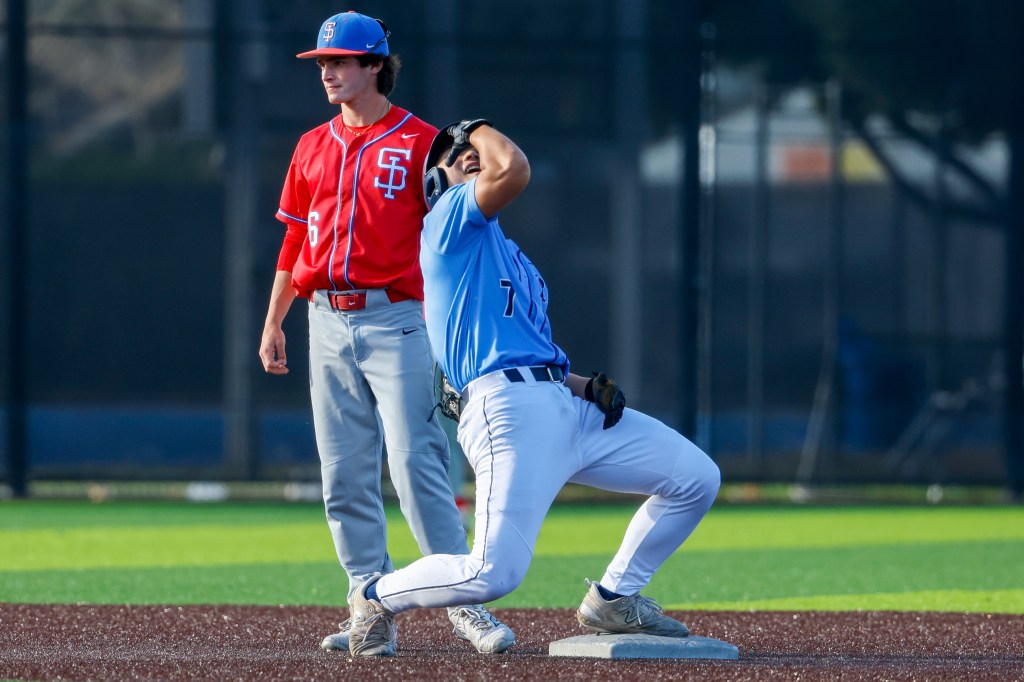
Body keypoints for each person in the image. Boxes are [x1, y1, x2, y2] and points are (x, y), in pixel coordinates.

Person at [344, 119, 722, 657]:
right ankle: (376, 594)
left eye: (469, 149)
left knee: (695, 478)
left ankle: (615, 597)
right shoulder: (448, 220)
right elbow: (514, 167)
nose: (468, 155)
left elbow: (521, 348)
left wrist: (584, 386)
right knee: (493, 573)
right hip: (509, 411)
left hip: (563, 405)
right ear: (434, 184)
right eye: (455, 156)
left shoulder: (504, 251)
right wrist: (473, 127)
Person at [257, 13, 513, 655]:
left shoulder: (425, 143)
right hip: (324, 319)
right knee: (342, 473)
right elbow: (295, 237)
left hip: (398, 319)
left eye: (341, 60)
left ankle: (462, 599)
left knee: (417, 461)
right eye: (322, 62)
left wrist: (467, 179)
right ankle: (368, 605)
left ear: (376, 65)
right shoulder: (311, 145)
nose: (328, 71)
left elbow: (466, 223)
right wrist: (274, 319)